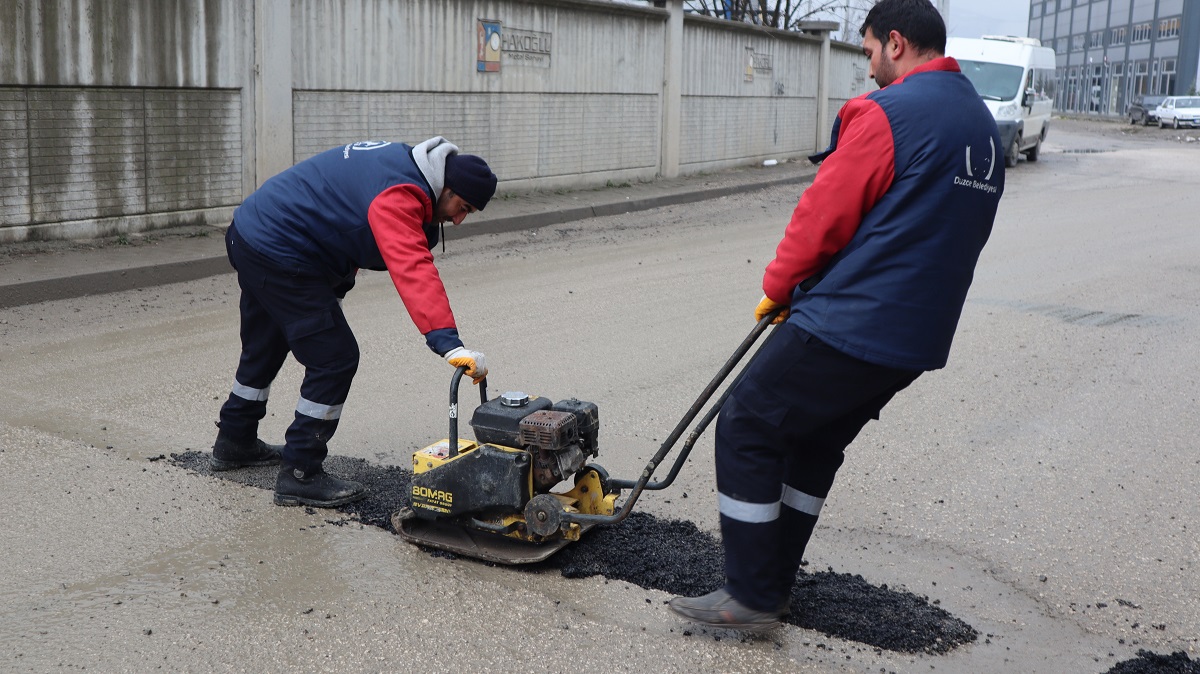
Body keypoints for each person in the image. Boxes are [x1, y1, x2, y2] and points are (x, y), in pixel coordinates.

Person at [668, 0, 1004, 632]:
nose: (869, 66)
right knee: (814, 440)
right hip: (918, 337)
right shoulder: (980, 126)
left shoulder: (889, 113)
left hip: (852, 320)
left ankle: (750, 595)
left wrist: (779, 286)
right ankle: (773, 582)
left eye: (870, 50)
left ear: (896, 43)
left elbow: (823, 214)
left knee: (746, 423)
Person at [210, 137, 497, 508]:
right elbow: (412, 269)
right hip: (280, 248)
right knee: (334, 357)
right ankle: (300, 473)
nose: (458, 220)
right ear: (447, 189)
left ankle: (235, 439)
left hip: (253, 233)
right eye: (463, 208)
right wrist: (448, 342)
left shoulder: (403, 164)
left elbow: (346, 231)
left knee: (266, 341)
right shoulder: (400, 194)